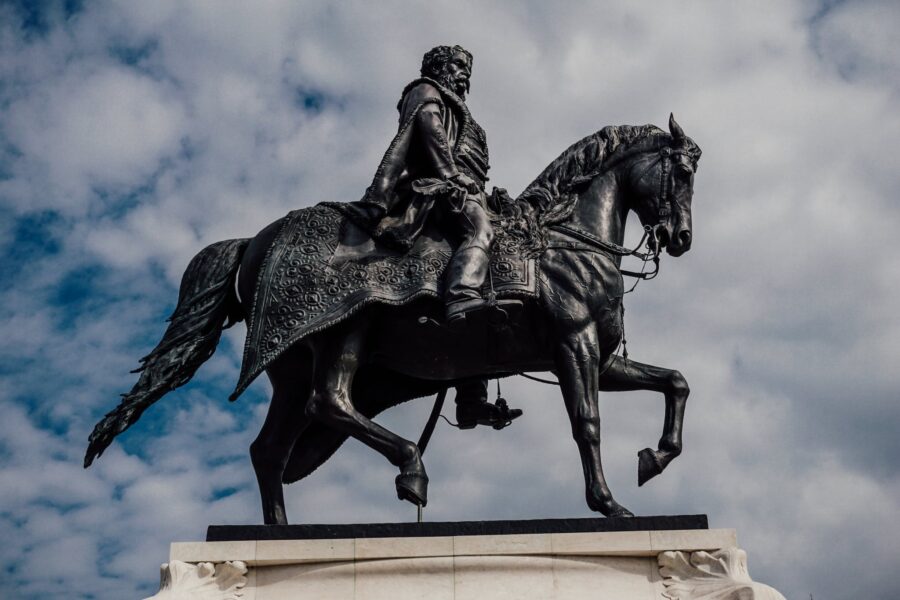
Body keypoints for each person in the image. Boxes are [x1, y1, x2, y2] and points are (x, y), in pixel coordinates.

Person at [352, 45, 521, 429]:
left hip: (467, 190)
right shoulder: (425, 90)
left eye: (468, 70)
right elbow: (428, 128)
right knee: (481, 231)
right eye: (459, 66)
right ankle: (461, 297)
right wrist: (450, 174)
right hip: (436, 188)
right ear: (439, 66)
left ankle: (472, 399)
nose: (465, 75)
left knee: (500, 269)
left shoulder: (465, 114)